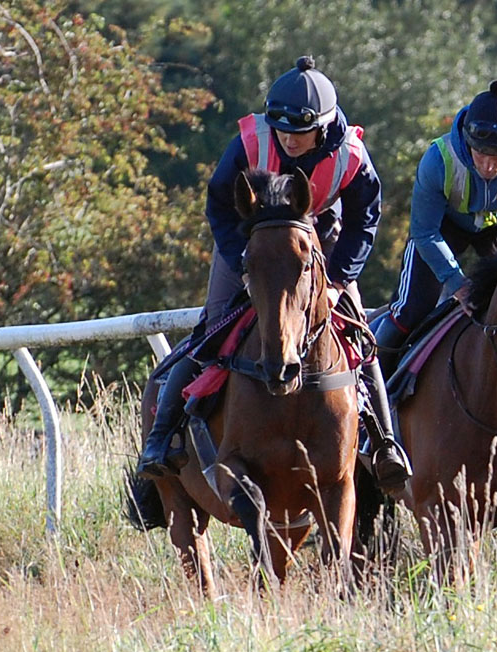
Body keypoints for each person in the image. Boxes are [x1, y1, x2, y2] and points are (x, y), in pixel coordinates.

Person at [137, 56, 412, 486]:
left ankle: (385, 443)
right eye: (282, 129)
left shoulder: (352, 155)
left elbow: (365, 220)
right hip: (250, 247)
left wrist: (339, 280)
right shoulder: (250, 142)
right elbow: (218, 205)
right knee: (212, 328)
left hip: (319, 247)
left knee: (360, 335)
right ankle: (161, 438)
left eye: (299, 132)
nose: (288, 139)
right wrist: (242, 264)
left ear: (321, 127)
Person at [373, 79, 497, 459]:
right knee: (408, 312)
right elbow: (423, 231)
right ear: (466, 141)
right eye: (480, 154)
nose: (487, 165)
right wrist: (455, 283)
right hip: (442, 231)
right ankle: (376, 418)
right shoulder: (439, 158)